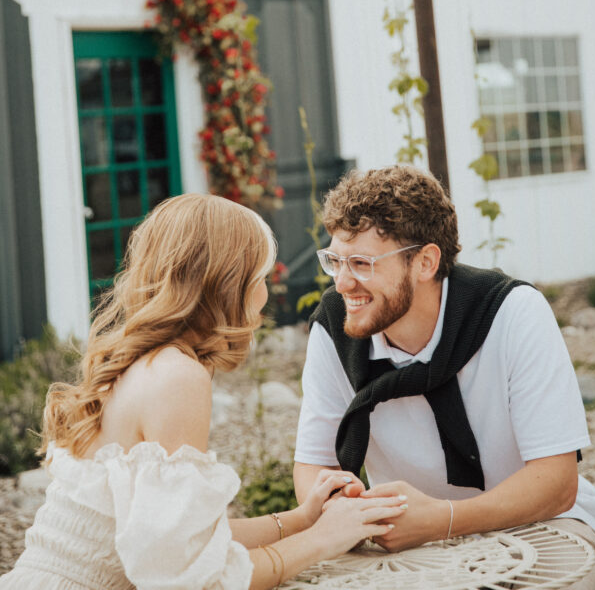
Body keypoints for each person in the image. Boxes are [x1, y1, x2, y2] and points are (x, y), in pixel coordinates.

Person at [0, 193, 405, 590]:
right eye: (260, 277)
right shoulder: (178, 377)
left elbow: (184, 542)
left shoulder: (147, 363)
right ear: (228, 283)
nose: (265, 293)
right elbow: (198, 579)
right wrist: (322, 540)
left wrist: (302, 518)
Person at [293, 165, 595, 590]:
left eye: (362, 263)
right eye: (335, 261)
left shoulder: (512, 312)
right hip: (405, 543)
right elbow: (314, 465)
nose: (343, 283)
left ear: (425, 262)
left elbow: (556, 483)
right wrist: (341, 508)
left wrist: (444, 520)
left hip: (541, 526)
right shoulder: (336, 327)